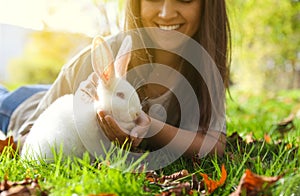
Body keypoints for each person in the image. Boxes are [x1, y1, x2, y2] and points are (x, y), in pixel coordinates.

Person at [0, 0, 230, 159]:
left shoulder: (206, 67)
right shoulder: (106, 55)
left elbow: (215, 145)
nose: (166, 12)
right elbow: (30, 134)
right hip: (25, 106)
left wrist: (149, 127)